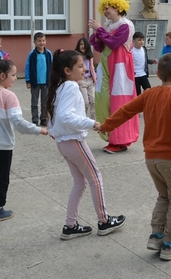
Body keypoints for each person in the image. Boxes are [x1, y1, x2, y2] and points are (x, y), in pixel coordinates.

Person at [98, 53, 171, 260]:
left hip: (151, 159)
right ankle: (170, 244)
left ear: (158, 74)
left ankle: (156, 236)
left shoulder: (149, 94)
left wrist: (106, 125)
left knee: (163, 196)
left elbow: (126, 110)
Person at [46, 49, 126, 239]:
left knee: (80, 183)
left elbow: (54, 116)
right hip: (73, 141)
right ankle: (104, 221)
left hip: (64, 143)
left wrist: (53, 130)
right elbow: (66, 116)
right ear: (67, 70)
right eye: (80, 66)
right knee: (95, 178)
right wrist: (92, 123)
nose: (84, 70)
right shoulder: (72, 87)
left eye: (84, 65)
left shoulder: (59, 87)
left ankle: (70, 225)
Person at [0, 58, 48, 222]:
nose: (15, 78)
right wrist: (39, 129)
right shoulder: (9, 96)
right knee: (1, 177)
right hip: (2, 144)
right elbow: (18, 122)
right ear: (2, 76)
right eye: (12, 75)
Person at [89, 0, 140, 154]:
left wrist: (100, 30)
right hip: (106, 66)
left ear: (117, 8)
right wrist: (99, 33)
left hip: (120, 67)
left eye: (108, 8)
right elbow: (98, 47)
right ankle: (110, 135)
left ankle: (121, 140)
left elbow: (114, 43)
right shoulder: (108, 26)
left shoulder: (126, 25)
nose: (105, 11)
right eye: (103, 8)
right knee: (103, 100)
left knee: (120, 102)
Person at [25, 32, 53, 126]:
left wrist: (52, 79)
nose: (42, 43)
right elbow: (28, 67)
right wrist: (28, 81)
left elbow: (53, 67)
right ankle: (35, 119)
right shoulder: (32, 54)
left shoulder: (48, 53)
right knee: (34, 102)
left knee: (45, 102)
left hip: (46, 82)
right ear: (35, 42)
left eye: (43, 40)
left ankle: (44, 118)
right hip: (35, 82)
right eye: (39, 41)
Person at [75, 38, 97, 119]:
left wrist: (95, 79)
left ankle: (93, 119)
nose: (82, 46)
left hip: (90, 80)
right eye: (81, 44)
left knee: (93, 101)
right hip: (81, 81)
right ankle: (83, 117)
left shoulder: (89, 56)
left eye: (84, 44)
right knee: (86, 102)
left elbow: (92, 68)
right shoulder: (76, 56)